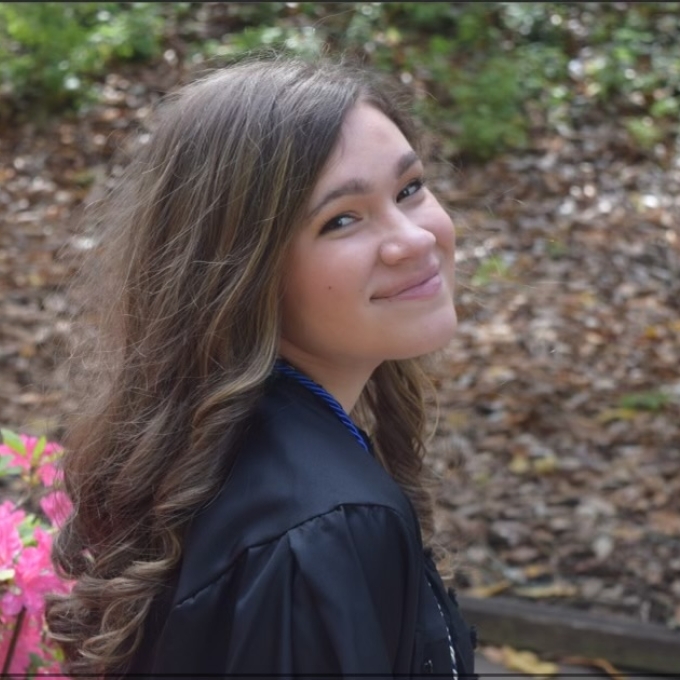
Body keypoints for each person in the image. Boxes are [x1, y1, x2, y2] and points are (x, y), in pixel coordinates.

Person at [46, 54, 476, 678]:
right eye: (342, 219)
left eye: (410, 189)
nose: (412, 239)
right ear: (244, 275)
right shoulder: (320, 529)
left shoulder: (220, 457)